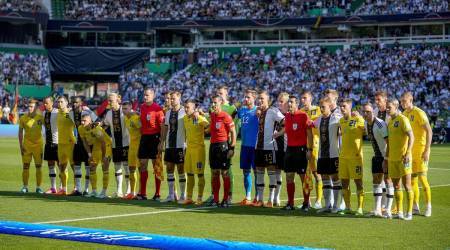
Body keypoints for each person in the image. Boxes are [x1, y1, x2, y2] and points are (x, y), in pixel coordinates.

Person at [279, 95, 313, 211]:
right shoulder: (287, 116)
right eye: (289, 102)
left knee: (303, 178)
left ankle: (306, 203)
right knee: (289, 176)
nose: (289, 104)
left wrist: (309, 149)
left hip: (301, 149)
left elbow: (309, 133)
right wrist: (278, 133)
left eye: (292, 102)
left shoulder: (303, 115)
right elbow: (287, 129)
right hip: (289, 149)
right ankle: (290, 203)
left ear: (297, 104)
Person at [401, 92, 433, 217]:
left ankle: (428, 206)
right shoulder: (404, 114)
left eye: (405, 101)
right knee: (412, 180)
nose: (403, 103)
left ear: (411, 100)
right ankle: (415, 206)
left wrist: (427, 150)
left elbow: (429, 131)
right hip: (409, 152)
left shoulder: (419, 112)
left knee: (423, 179)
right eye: (401, 101)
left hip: (420, 150)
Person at [253, 91, 284, 208]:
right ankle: (260, 200)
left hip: (270, 147)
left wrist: (279, 133)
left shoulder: (273, 111)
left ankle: (270, 200)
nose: (260, 101)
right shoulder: (259, 112)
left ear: (268, 100)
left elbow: (286, 122)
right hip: (258, 147)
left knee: (271, 173)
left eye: (262, 99)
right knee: (259, 172)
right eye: (259, 99)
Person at [361, 102, 392, 218]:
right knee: (376, 181)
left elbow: (389, 142)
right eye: (364, 112)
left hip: (385, 156)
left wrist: (387, 158)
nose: (365, 114)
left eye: (368, 112)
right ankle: (377, 209)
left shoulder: (380, 124)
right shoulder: (365, 123)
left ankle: (388, 210)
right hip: (376, 156)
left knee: (388, 181)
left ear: (372, 112)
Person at [386, 98, 415, 220]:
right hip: (392, 159)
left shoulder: (403, 119)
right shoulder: (390, 122)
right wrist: (386, 158)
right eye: (387, 107)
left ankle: (409, 213)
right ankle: (400, 212)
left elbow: (411, 137)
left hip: (404, 158)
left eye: (389, 107)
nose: (387, 109)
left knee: (407, 185)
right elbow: (389, 143)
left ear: (396, 107)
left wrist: (408, 153)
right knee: (397, 186)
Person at [315, 97, 343, 213]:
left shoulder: (336, 118)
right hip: (322, 154)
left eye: (324, 107)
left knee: (335, 178)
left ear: (330, 107)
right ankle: (328, 205)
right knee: (325, 178)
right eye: (320, 107)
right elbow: (310, 125)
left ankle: (336, 205)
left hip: (334, 154)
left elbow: (346, 123)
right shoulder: (318, 119)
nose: (321, 109)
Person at [338, 99, 365, 216]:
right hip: (343, 157)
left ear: (350, 107)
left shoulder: (358, 119)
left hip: (355, 157)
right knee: (344, 182)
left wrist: (360, 117)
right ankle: (348, 207)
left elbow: (366, 132)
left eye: (344, 106)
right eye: (341, 106)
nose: (342, 108)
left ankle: (360, 208)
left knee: (358, 182)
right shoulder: (341, 121)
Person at [209, 95, 237, 207]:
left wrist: (232, 148)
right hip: (213, 146)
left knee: (224, 173)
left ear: (220, 103)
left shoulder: (226, 116)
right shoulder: (212, 116)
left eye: (215, 102)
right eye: (212, 102)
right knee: (215, 173)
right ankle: (215, 200)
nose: (213, 105)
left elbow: (233, 132)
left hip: (223, 146)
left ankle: (225, 199)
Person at [137, 88, 165, 200]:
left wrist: (161, 142)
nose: (145, 97)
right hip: (144, 138)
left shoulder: (158, 109)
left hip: (155, 137)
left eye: (147, 95)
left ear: (153, 96)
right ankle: (142, 193)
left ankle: (157, 193)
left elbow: (162, 126)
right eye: (144, 95)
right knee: (142, 164)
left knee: (156, 166)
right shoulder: (142, 107)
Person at [159, 91, 187, 203]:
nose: (171, 100)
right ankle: (171, 195)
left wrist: (187, 142)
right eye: (170, 99)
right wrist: (162, 142)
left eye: (173, 98)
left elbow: (189, 128)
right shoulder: (168, 112)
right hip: (170, 146)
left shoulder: (185, 111)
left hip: (181, 145)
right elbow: (166, 128)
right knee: (169, 169)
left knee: (181, 169)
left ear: (179, 98)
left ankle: (183, 195)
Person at [103, 93, 131, 198]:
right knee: (117, 168)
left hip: (126, 144)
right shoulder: (109, 113)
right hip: (115, 144)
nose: (109, 102)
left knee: (127, 167)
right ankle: (119, 191)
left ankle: (128, 191)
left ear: (118, 99)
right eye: (108, 101)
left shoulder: (124, 111)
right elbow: (105, 124)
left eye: (111, 100)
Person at [79, 114, 112, 198]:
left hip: (106, 146)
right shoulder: (80, 128)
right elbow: (85, 142)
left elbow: (103, 142)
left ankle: (103, 192)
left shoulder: (97, 129)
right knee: (92, 167)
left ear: (90, 121)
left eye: (85, 121)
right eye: (81, 120)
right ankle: (94, 191)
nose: (82, 122)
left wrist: (104, 156)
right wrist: (89, 154)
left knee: (105, 168)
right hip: (96, 147)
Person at [183, 99, 209, 205]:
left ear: (194, 109)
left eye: (188, 107)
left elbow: (209, 127)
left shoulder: (199, 118)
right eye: (185, 107)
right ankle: (189, 197)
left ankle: (199, 197)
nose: (185, 109)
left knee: (199, 174)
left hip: (198, 150)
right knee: (189, 174)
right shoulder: (185, 118)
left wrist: (201, 115)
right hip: (189, 150)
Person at [70, 96, 97, 196]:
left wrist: (92, 134)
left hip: (88, 143)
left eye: (76, 102)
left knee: (87, 167)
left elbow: (98, 121)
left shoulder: (88, 112)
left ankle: (86, 190)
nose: (74, 104)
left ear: (81, 103)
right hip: (78, 142)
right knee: (76, 166)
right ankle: (78, 189)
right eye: (72, 102)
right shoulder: (70, 113)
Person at [300, 91, 323, 209]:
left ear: (311, 99)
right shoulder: (301, 112)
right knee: (304, 174)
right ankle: (307, 200)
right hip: (303, 145)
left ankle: (319, 201)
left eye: (305, 98)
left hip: (315, 145)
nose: (303, 100)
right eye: (302, 98)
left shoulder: (318, 110)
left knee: (316, 173)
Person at [237, 89, 259, 205]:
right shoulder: (242, 111)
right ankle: (248, 196)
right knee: (246, 172)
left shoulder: (258, 111)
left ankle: (257, 197)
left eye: (248, 97)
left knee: (256, 172)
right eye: (245, 97)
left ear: (254, 98)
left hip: (254, 147)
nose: (246, 99)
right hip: (244, 146)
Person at [18, 99, 44, 193]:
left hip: (38, 146)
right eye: (28, 106)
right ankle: (25, 186)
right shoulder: (23, 118)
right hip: (27, 146)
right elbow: (20, 133)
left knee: (38, 167)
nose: (29, 108)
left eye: (31, 106)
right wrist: (21, 146)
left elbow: (50, 127)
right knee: (25, 166)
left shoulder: (41, 118)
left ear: (36, 107)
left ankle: (38, 187)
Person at [56, 96, 76, 195]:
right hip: (60, 144)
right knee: (62, 167)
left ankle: (77, 188)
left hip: (70, 144)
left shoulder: (71, 113)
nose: (60, 103)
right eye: (58, 102)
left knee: (74, 167)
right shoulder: (57, 113)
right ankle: (64, 189)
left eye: (62, 102)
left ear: (66, 103)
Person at [122, 101, 141, 199]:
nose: (124, 111)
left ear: (131, 108)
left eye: (126, 109)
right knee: (131, 169)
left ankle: (141, 192)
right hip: (131, 147)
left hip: (139, 146)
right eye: (123, 109)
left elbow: (143, 130)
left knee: (140, 169)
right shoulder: (126, 118)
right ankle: (132, 192)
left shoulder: (136, 118)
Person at [273, 92, 289, 207]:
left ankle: (291, 198)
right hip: (276, 147)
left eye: (282, 101)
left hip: (289, 148)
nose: (279, 103)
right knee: (276, 171)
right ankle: (276, 196)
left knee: (289, 174)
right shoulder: (275, 114)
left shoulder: (290, 115)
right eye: (278, 101)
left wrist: (278, 133)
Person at [42, 96, 59, 194]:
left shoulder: (57, 112)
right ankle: (53, 188)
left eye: (46, 103)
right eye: (44, 103)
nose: (45, 105)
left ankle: (62, 187)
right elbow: (45, 126)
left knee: (61, 166)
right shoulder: (44, 113)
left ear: (52, 103)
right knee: (50, 165)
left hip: (57, 143)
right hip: (48, 143)